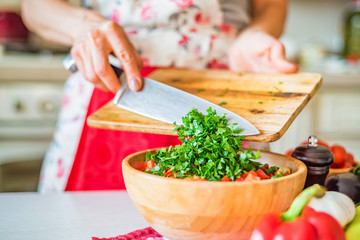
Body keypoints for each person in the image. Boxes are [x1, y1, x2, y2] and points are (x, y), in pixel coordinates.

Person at [21, 0, 297, 193]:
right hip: (110, 80)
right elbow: (35, 6)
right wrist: (83, 26)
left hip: (224, 89)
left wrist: (255, 35)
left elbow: (272, 5)